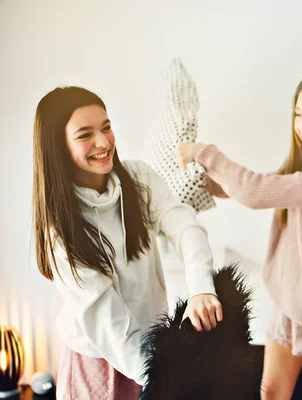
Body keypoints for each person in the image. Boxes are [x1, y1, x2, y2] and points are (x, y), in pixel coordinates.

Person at [177, 68, 302, 399]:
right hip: (291, 304)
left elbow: (255, 192)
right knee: (271, 394)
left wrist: (203, 153)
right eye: (299, 114)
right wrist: (203, 185)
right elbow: (264, 187)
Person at [32, 86, 223, 399]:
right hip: (100, 362)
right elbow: (109, 324)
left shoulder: (139, 178)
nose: (103, 142)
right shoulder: (60, 231)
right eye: (85, 134)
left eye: (106, 127)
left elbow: (185, 224)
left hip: (154, 346)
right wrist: (161, 376)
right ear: (58, 146)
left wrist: (201, 287)